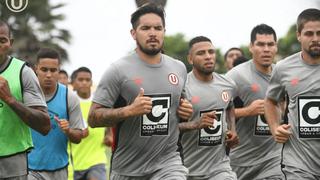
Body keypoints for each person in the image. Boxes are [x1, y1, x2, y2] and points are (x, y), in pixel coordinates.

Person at [88, 3, 192, 180]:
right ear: (133, 33)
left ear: (164, 31)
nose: (153, 33)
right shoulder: (118, 70)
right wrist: (128, 111)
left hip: (168, 163)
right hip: (127, 168)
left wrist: (186, 111)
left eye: (158, 28)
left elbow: (181, 108)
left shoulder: (179, 68)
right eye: (145, 28)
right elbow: (93, 118)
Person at [265, 8, 320, 179]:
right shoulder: (284, 68)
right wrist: (275, 127)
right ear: (298, 35)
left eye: (319, 33)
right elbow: (270, 101)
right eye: (309, 33)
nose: (315, 39)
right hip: (299, 164)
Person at [226, 24, 284, 180]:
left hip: (274, 159)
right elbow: (214, 111)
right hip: (241, 161)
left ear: (276, 47)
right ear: (251, 47)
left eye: (270, 44)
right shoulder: (236, 76)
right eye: (260, 44)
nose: (266, 49)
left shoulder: (283, 74)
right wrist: (247, 111)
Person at [179, 36, 238, 180]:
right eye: (201, 53)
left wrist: (232, 130)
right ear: (190, 59)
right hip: (187, 169)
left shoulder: (228, 84)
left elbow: (230, 107)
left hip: (220, 168)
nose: (208, 57)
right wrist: (195, 124)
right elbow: (167, 129)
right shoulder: (182, 87)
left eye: (211, 52)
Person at [0, 20, 51, 180]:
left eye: (2, 40)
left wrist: (10, 99)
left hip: (12, 163)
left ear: (10, 42)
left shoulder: (23, 72)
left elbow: (44, 125)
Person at [28, 48, 85, 180]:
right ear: (36, 69)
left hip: (59, 169)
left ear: (59, 70)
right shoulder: (26, 94)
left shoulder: (69, 97)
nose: (48, 75)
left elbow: (78, 137)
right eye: (44, 70)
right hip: (30, 169)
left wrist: (68, 130)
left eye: (53, 70)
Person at [68, 66, 111, 180]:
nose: (84, 83)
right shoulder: (69, 103)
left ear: (91, 82)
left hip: (97, 159)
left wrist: (109, 135)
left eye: (87, 80)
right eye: (81, 80)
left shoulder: (99, 103)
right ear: (73, 83)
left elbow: (108, 120)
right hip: (74, 162)